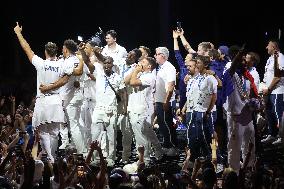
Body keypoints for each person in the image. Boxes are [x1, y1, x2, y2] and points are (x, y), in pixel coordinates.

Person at [14, 22, 78, 162]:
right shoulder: (62, 63)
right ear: (56, 52)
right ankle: (52, 157)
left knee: (42, 132)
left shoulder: (41, 63)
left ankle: (48, 158)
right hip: (55, 101)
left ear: (45, 52)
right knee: (54, 133)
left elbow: (27, 49)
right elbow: (66, 79)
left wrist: (18, 33)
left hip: (43, 100)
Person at [91, 54, 127, 166]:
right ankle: (96, 158)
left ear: (112, 65)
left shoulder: (117, 77)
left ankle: (111, 157)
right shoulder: (98, 74)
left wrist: (125, 107)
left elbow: (123, 92)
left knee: (112, 136)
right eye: (105, 63)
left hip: (112, 109)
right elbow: (88, 62)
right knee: (95, 135)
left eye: (109, 63)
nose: (106, 65)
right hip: (98, 109)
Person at [127, 57, 164, 163]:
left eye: (143, 62)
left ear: (149, 66)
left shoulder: (149, 76)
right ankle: (158, 152)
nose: (139, 63)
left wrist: (136, 70)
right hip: (135, 107)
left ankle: (145, 159)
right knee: (148, 132)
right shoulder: (141, 74)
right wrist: (135, 70)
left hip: (140, 109)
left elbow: (133, 82)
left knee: (140, 136)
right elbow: (126, 81)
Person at [154, 47, 178, 156]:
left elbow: (171, 85)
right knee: (163, 124)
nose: (155, 56)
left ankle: (172, 146)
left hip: (164, 101)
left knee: (167, 125)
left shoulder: (169, 67)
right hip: (159, 101)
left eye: (157, 54)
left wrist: (166, 101)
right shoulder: (161, 67)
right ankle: (167, 144)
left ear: (162, 55)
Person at [261, 40, 284, 145]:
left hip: (277, 91)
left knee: (278, 114)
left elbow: (278, 76)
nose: (266, 47)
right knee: (269, 113)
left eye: (268, 45)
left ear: (274, 47)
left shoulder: (280, 57)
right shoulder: (270, 59)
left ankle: (281, 136)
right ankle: (272, 134)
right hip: (269, 91)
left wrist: (269, 89)